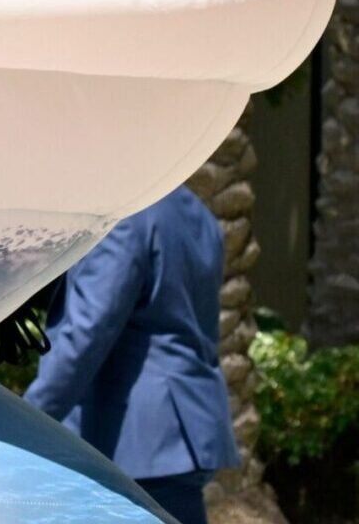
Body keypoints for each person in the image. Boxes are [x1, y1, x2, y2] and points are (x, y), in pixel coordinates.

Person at [25, 187, 243, 524]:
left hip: (137, 437)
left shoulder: (127, 215)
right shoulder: (199, 213)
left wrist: (27, 418)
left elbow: (88, 330)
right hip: (187, 428)